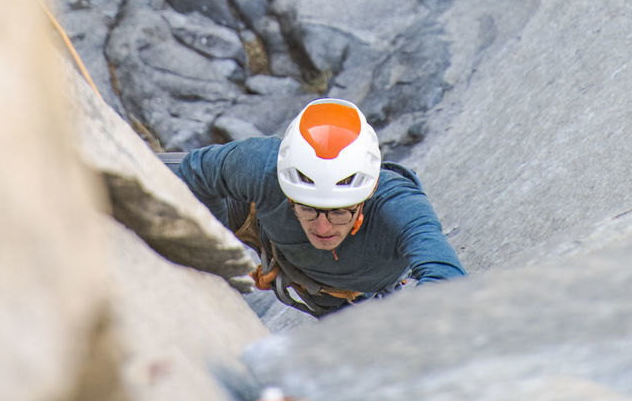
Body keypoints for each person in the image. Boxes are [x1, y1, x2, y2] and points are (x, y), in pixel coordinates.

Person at [176, 98, 466, 316]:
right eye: (308, 208)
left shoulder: (399, 207)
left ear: (367, 195)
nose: (323, 227)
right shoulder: (260, 167)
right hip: (268, 231)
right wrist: (215, 247)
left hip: (351, 299)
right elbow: (193, 172)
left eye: (340, 211)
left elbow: (448, 282)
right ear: (289, 194)